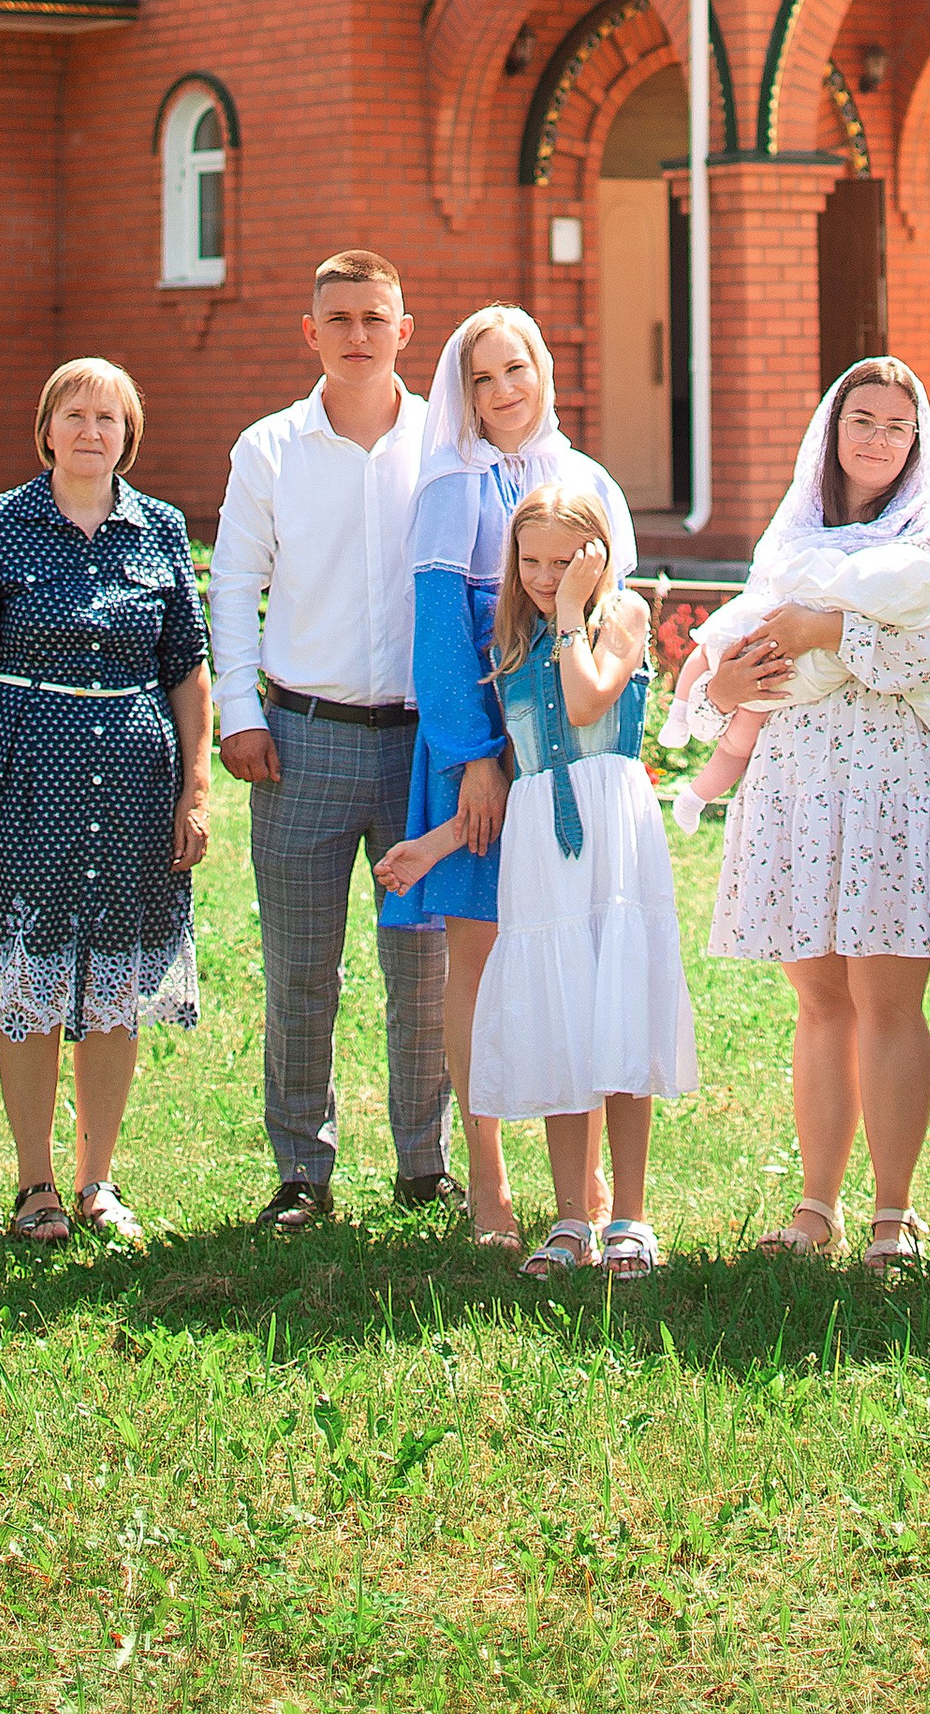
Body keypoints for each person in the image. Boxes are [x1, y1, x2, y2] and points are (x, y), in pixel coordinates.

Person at [703, 357, 930, 1268]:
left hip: (895, 780)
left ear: (916, 442)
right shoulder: (794, 525)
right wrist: (725, 683)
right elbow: (747, 637)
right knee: (819, 997)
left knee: (885, 993)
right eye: (860, 419)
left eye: (895, 425)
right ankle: (815, 1204)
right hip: (799, 777)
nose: (875, 437)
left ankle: (893, 1212)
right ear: (832, 429)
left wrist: (827, 630)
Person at [0, 358, 210, 1244]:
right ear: (46, 426)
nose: (92, 430)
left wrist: (195, 791)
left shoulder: (161, 531)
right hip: (22, 786)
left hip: (136, 791)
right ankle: (34, 1184)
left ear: (129, 434)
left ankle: (98, 1181)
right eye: (76, 413)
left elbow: (189, 675)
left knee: (114, 987)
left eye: (110, 417)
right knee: (34, 980)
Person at [385, 483, 694, 1275]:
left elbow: (590, 701)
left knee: (617, 1008)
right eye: (532, 560)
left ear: (598, 554)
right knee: (562, 1015)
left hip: (611, 834)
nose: (548, 575)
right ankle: (569, 1218)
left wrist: (572, 613)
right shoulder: (512, 646)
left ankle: (628, 1213)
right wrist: (435, 843)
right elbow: (521, 765)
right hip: (542, 847)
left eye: (566, 559)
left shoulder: (619, 616)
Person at [380, 305, 638, 1247]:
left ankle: (590, 1185)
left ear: (544, 369)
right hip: (481, 755)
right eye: (482, 377)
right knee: (479, 964)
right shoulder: (451, 487)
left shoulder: (587, 479)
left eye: (515, 369)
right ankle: (489, 1185)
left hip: (569, 762)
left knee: (581, 952)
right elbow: (442, 642)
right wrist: (474, 762)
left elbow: (611, 629)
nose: (502, 392)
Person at [209, 249, 449, 1234]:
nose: (357, 333)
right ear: (310, 331)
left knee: (421, 971)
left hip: (419, 748)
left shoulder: (446, 444)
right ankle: (301, 1172)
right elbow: (230, 584)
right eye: (338, 317)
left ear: (404, 329)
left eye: (374, 317)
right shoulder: (268, 449)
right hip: (299, 740)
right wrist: (241, 712)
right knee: (301, 969)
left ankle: (424, 1167)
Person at [661, 534, 930, 830]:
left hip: (779, 685)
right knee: (708, 655)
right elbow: (915, 681)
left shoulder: (864, 614)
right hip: (758, 652)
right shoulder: (833, 578)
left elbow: (912, 669)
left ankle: (694, 797)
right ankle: (679, 721)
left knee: (734, 744)